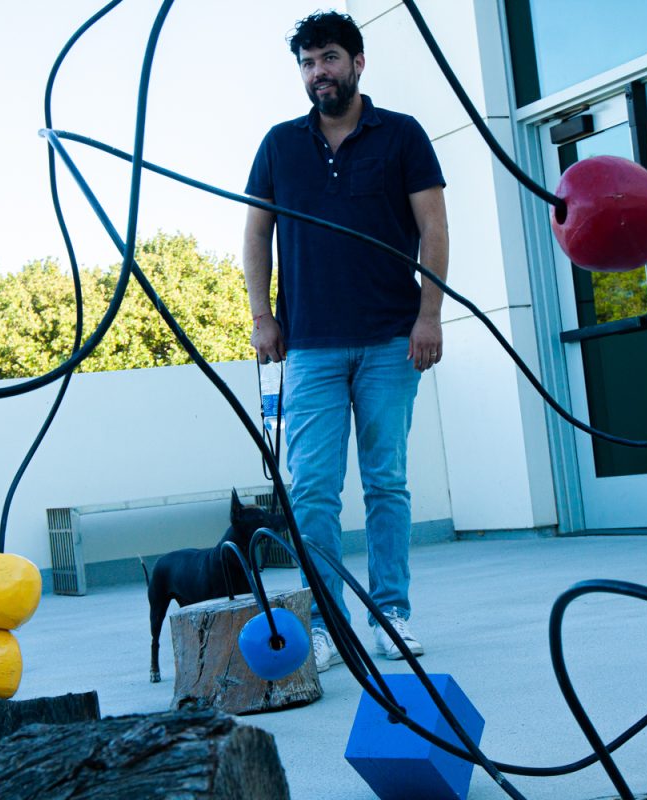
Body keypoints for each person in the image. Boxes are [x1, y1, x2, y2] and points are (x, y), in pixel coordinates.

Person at [242, 11, 449, 672]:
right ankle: (327, 624)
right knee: (312, 494)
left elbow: (435, 229)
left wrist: (430, 315)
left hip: (392, 339)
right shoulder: (279, 145)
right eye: (307, 62)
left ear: (357, 63)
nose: (318, 72)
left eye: (329, 57)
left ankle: (389, 614)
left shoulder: (404, 137)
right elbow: (256, 235)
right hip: (310, 347)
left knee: (387, 481)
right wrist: (261, 315)